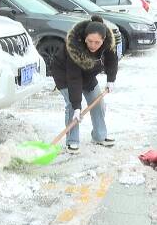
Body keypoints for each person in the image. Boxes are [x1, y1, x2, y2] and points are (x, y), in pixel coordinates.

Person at [50, 15, 119, 154]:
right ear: (84, 38)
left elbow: (112, 61)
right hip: (65, 74)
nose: (93, 45)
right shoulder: (74, 48)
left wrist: (111, 79)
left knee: (97, 102)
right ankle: (72, 142)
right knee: (72, 106)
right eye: (90, 41)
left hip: (87, 73)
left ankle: (99, 136)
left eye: (97, 42)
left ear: (103, 40)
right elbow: (74, 78)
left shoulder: (108, 44)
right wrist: (77, 106)